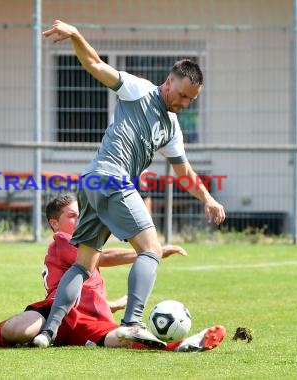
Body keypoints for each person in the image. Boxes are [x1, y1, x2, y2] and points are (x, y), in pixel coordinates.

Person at [32, 20, 226, 348]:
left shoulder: (173, 128)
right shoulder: (139, 90)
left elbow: (185, 174)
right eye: (182, 95)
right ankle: (133, 323)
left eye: (191, 100)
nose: (184, 103)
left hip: (92, 182)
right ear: (169, 82)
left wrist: (207, 198)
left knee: (84, 263)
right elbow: (95, 64)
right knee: (150, 249)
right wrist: (77, 35)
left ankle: (47, 332)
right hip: (111, 178)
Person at [0, 194, 226, 351]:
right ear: (55, 224)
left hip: (89, 318)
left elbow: (90, 288)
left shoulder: (87, 245)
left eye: (81, 213)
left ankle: (177, 346)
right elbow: (105, 259)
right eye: (72, 216)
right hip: (55, 313)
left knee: (120, 338)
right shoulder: (63, 241)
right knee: (18, 329)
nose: (80, 219)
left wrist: (112, 304)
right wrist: (150, 252)